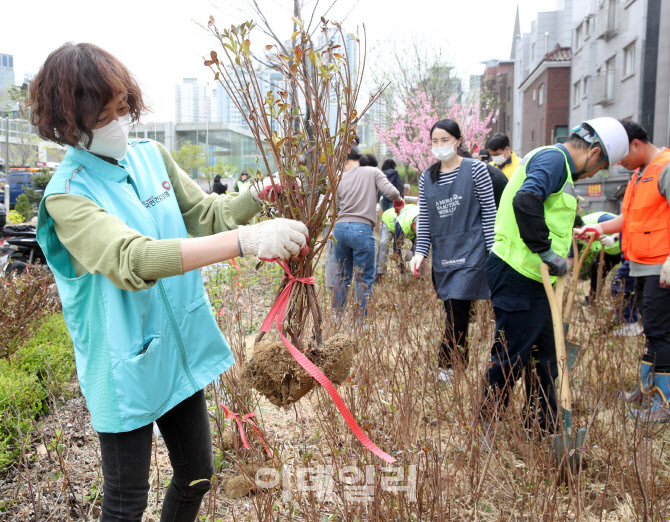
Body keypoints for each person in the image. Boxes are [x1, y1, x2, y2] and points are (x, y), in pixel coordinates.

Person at [28, 43, 309, 522]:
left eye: (123, 108)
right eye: (103, 116)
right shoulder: (68, 197)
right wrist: (243, 242)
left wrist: (261, 194)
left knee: (198, 474)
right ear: (68, 123)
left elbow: (205, 214)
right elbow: (130, 259)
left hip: (176, 346)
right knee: (125, 501)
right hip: (124, 365)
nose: (119, 122)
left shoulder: (150, 157)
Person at [482, 117, 629, 436]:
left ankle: (541, 424)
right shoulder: (553, 159)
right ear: (593, 155)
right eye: (598, 168)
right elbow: (526, 200)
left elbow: (546, 210)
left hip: (535, 278)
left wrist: (572, 234)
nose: (594, 175)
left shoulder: (555, 164)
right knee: (512, 356)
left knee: (546, 356)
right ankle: (486, 426)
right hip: (517, 272)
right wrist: (546, 252)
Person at [576, 120, 670, 422]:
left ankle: (663, 403)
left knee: (660, 333)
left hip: (661, 267)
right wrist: (598, 228)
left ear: (636, 144)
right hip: (641, 265)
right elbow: (630, 218)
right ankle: (646, 390)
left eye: (622, 157)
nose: (621, 164)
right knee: (651, 332)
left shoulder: (665, 167)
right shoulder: (639, 174)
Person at [409, 119, 497, 382]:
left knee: (457, 307)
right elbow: (424, 218)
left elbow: (489, 213)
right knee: (453, 309)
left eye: (445, 140)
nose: (439, 146)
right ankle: (458, 363)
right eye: (435, 141)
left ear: (458, 141)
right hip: (444, 252)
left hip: (472, 250)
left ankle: (447, 367)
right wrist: (420, 252)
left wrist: (493, 252)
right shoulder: (428, 176)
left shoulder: (476, 170)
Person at [333, 145, 401, 321]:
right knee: (363, 278)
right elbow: (392, 192)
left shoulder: (340, 178)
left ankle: (336, 318)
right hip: (362, 229)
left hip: (339, 230)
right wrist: (399, 200)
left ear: (345, 161)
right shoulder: (372, 172)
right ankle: (359, 323)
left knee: (341, 275)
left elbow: (336, 207)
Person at [568, 211, 622, 303]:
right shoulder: (576, 235)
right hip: (610, 251)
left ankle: (622, 304)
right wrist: (564, 271)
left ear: (577, 227)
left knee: (622, 277)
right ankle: (592, 300)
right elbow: (571, 258)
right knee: (596, 269)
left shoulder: (599, 219)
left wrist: (613, 238)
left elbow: (625, 225)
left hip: (626, 247)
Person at [375, 203, 419, 279]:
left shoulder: (425, 221)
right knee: (383, 243)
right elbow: (396, 251)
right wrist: (403, 271)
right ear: (413, 225)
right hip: (389, 219)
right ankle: (380, 273)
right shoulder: (401, 226)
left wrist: (412, 250)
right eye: (417, 232)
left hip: (409, 215)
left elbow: (422, 245)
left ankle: (418, 273)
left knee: (419, 249)